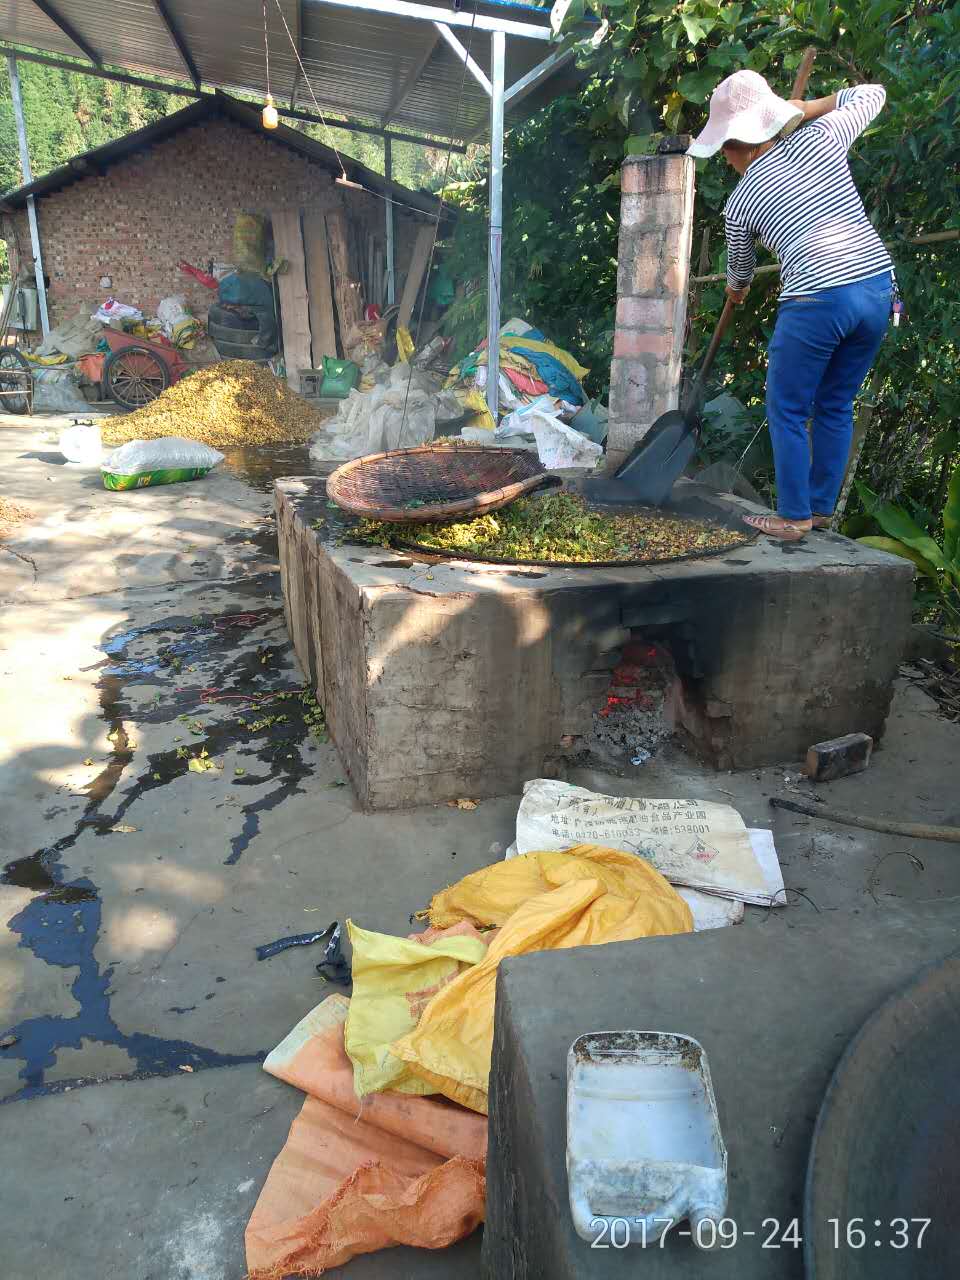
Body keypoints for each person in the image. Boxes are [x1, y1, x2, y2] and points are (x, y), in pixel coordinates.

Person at [688, 71, 895, 540]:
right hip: (876, 288)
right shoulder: (822, 136)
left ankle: (794, 515)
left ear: (735, 145)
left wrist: (736, 292)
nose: (725, 159)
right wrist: (809, 108)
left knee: (786, 408)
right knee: (836, 403)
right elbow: (872, 94)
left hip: (817, 297)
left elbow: (739, 277)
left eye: (724, 148)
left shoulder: (740, 203)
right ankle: (819, 509)